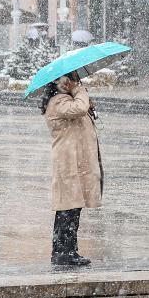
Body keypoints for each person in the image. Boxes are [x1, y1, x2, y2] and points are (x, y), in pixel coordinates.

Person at [42, 71, 101, 267]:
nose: (76, 83)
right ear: (62, 82)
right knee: (67, 208)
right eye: (73, 79)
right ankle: (62, 251)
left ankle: (69, 250)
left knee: (73, 208)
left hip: (75, 161)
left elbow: (83, 111)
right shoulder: (59, 102)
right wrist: (80, 92)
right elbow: (79, 109)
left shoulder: (67, 100)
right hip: (68, 162)